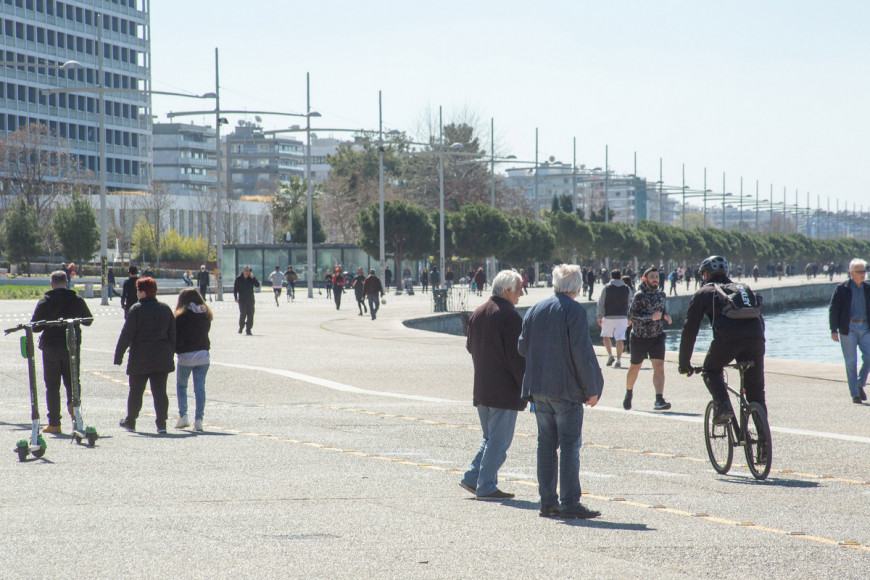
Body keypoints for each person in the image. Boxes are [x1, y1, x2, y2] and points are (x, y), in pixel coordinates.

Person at [518, 264, 603, 519]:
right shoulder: (575, 310)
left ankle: (547, 502)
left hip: (539, 388)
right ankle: (569, 502)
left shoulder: (535, 308)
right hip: (566, 390)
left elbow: (522, 346)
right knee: (569, 445)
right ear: (578, 287)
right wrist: (591, 389)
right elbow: (581, 353)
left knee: (545, 445)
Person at [460, 270, 526, 500]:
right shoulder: (510, 316)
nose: (521, 294)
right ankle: (486, 486)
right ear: (507, 289)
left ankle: (472, 478)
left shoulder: (478, 312)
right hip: (504, 390)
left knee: (490, 439)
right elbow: (516, 359)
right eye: (519, 289)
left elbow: (470, 347)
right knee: (499, 442)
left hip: (483, 387)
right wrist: (527, 388)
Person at [678, 255, 766, 425]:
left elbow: (689, 330)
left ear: (705, 275)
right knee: (757, 395)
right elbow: (759, 318)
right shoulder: (743, 288)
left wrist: (684, 363)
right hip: (756, 338)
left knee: (710, 370)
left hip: (728, 339)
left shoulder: (704, 292)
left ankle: (723, 405)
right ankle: (763, 445)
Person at [30, 270, 94, 434]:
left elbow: (35, 327)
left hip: (51, 348)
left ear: (51, 284)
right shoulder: (76, 300)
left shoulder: (45, 302)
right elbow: (88, 320)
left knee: (52, 386)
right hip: (70, 346)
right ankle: (76, 416)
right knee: (73, 382)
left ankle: (54, 424)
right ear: (67, 283)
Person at [115, 277, 176, 434]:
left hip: (139, 357)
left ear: (142, 292)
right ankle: (161, 424)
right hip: (161, 357)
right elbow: (173, 335)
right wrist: (171, 352)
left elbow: (126, 334)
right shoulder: (165, 309)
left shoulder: (136, 309)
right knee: (160, 392)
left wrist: (119, 355)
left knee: (136, 391)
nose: (136, 293)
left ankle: (131, 421)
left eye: (137, 290)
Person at [625, 268, 672, 412]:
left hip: (657, 336)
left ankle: (659, 399)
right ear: (645, 279)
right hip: (640, 337)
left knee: (659, 367)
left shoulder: (662, 295)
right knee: (635, 367)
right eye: (652, 277)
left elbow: (662, 311)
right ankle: (628, 393)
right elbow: (631, 315)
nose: (655, 279)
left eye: (657, 277)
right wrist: (650, 317)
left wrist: (665, 316)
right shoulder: (639, 296)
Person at [828, 258, 870, 404]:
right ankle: (855, 394)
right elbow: (834, 309)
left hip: (865, 327)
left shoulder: (868, 288)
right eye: (859, 271)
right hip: (848, 329)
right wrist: (833, 330)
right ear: (851, 273)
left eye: (864, 271)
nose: (863, 274)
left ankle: (859, 384)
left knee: (869, 358)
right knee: (851, 362)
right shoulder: (842, 289)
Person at [174, 288, 212, 432]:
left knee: (182, 386)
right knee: (199, 388)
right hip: (203, 356)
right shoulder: (206, 314)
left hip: (186, 356)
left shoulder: (181, 316)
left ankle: (183, 416)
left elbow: (178, 337)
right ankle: (199, 420)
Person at [597, 269, 630, 368]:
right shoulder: (626, 288)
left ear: (611, 277)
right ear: (621, 277)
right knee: (620, 338)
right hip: (622, 316)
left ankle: (610, 355)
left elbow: (601, 303)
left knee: (605, 336)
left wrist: (599, 315)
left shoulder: (606, 288)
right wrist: (629, 317)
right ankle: (619, 360)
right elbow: (630, 303)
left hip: (608, 316)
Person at [233, 265, 260, 335]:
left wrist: (253, 278)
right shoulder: (238, 279)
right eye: (245, 271)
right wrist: (235, 298)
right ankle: (241, 327)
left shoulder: (251, 278)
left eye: (248, 271)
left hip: (250, 299)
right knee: (243, 314)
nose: (247, 272)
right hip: (242, 300)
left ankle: (248, 329)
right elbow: (235, 289)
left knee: (250, 315)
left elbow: (257, 285)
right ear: (243, 271)